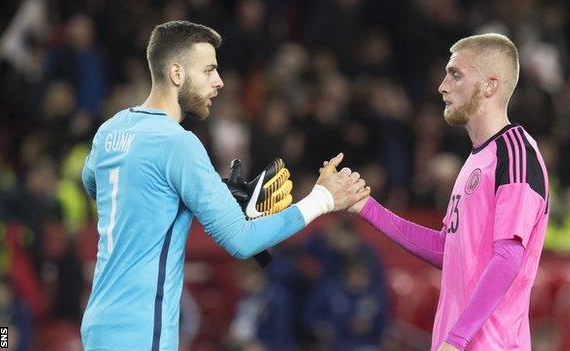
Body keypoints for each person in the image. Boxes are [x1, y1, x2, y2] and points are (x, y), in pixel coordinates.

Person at [79, 20, 370, 351]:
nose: (219, 82)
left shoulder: (111, 130)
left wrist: (202, 192)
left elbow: (94, 184)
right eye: (208, 70)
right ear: (177, 74)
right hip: (142, 329)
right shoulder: (177, 143)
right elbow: (242, 241)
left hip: (99, 322)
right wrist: (323, 199)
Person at [341, 33, 550, 350]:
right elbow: (449, 250)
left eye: (455, 74)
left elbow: (508, 257)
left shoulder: (516, 154)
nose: (442, 85)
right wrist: (366, 206)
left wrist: (456, 339)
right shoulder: (478, 158)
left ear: (490, 86)